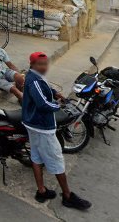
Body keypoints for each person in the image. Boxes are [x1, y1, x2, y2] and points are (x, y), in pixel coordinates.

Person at [22, 51, 91, 210]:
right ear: (32, 65)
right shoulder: (34, 81)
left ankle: (41, 191)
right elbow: (42, 104)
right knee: (57, 160)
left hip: (32, 123)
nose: (44, 67)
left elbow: (44, 88)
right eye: (40, 64)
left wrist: (55, 92)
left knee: (37, 157)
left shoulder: (34, 76)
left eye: (46, 64)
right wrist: (58, 105)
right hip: (41, 126)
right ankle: (67, 196)